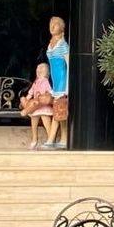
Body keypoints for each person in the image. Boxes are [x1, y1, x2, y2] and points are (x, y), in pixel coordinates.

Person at [44, 15, 71, 148]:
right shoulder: (51, 44)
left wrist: (67, 86)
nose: (52, 27)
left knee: (57, 111)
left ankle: (50, 140)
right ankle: (64, 139)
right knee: (60, 112)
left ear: (61, 27)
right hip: (55, 82)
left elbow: (69, 65)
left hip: (62, 82)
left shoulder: (63, 45)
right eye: (51, 24)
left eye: (55, 24)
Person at [20, 63, 56, 148]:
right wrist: (26, 99)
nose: (39, 71)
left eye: (41, 69)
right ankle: (34, 140)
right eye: (38, 69)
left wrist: (51, 96)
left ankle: (51, 139)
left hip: (43, 106)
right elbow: (31, 92)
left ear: (46, 72)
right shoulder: (36, 82)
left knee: (46, 122)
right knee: (34, 124)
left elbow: (50, 91)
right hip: (35, 107)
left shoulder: (46, 81)